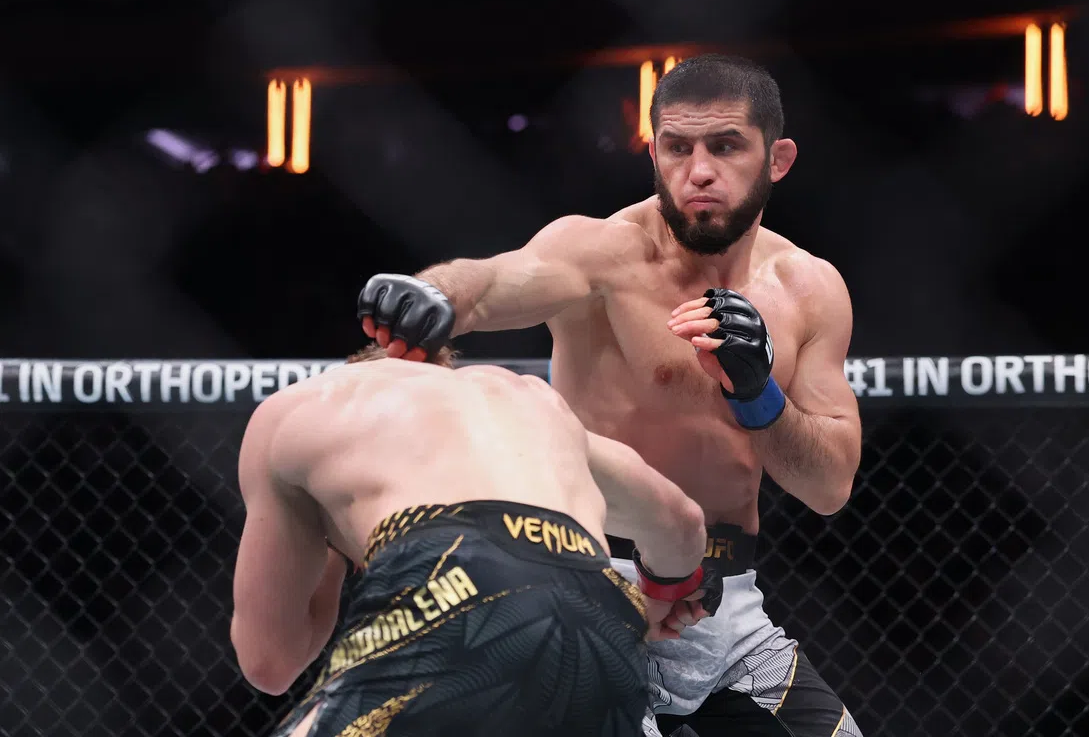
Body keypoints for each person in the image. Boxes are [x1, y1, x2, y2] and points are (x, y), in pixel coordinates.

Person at [356, 54, 864, 736]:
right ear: (653, 154)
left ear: (777, 159)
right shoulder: (601, 254)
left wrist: (756, 392)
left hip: (729, 611)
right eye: (677, 148)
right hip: (592, 590)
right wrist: (434, 295)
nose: (699, 171)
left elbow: (829, 486)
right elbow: (496, 281)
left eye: (725, 147)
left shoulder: (809, 289)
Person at [230, 342, 723, 737]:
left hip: (450, 577)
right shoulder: (530, 401)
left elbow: (270, 664)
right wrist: (660, 593)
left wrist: (331, 544)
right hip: (599, 611)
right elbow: (681, 521)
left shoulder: (304, 407)